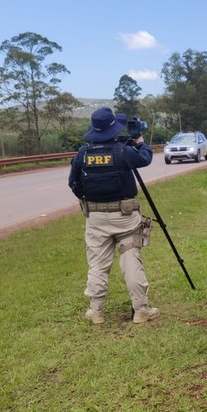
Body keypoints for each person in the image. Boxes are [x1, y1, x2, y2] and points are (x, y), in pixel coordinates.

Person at [68, 107, 159, 325]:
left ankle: (96, 311)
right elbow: (145, 158)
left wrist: (90, 201)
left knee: (98, 263)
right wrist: (139, 141)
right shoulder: (122, 151)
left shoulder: (83, 154)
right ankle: (141, 309)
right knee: (130, 259)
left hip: (95, 217)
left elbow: (73, 184)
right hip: (125, 215)